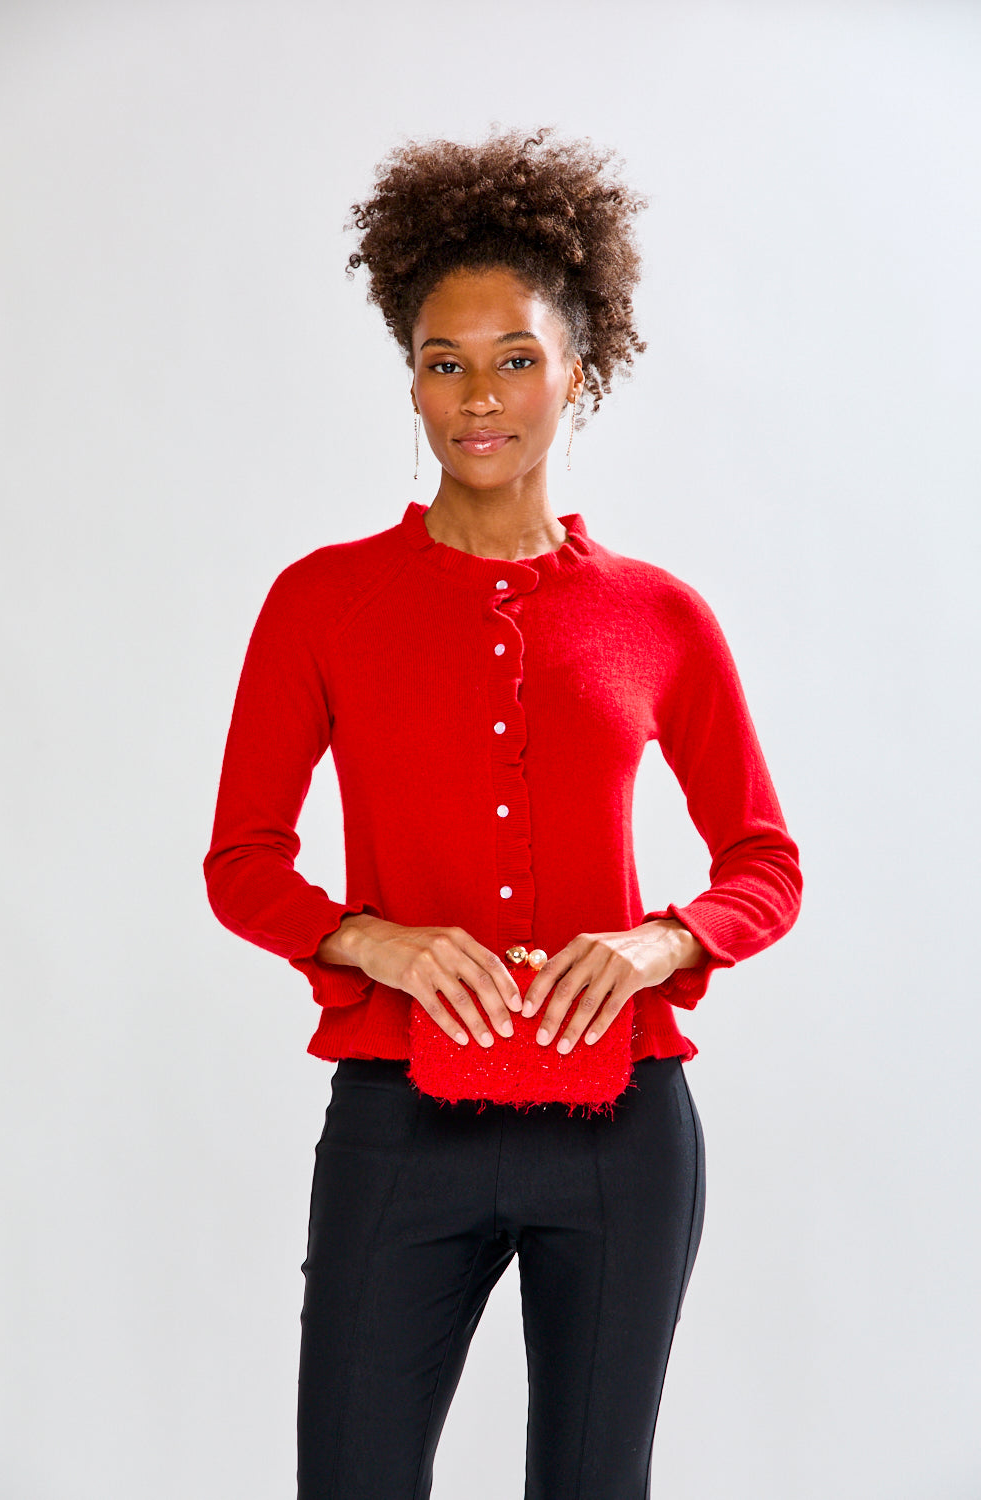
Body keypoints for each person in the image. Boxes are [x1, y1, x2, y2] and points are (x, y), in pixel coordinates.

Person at [203, 125, 803, 1500]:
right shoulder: (322, 604)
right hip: (398, 1122)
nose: (481, 396)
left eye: (517, 358)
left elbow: (765, 863)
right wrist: (375, 941)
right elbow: (242, 863)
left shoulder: (658, 617)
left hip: (625, 1134)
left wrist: (661, 944)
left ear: (581, 373)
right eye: (444, 361)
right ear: (410, 383)